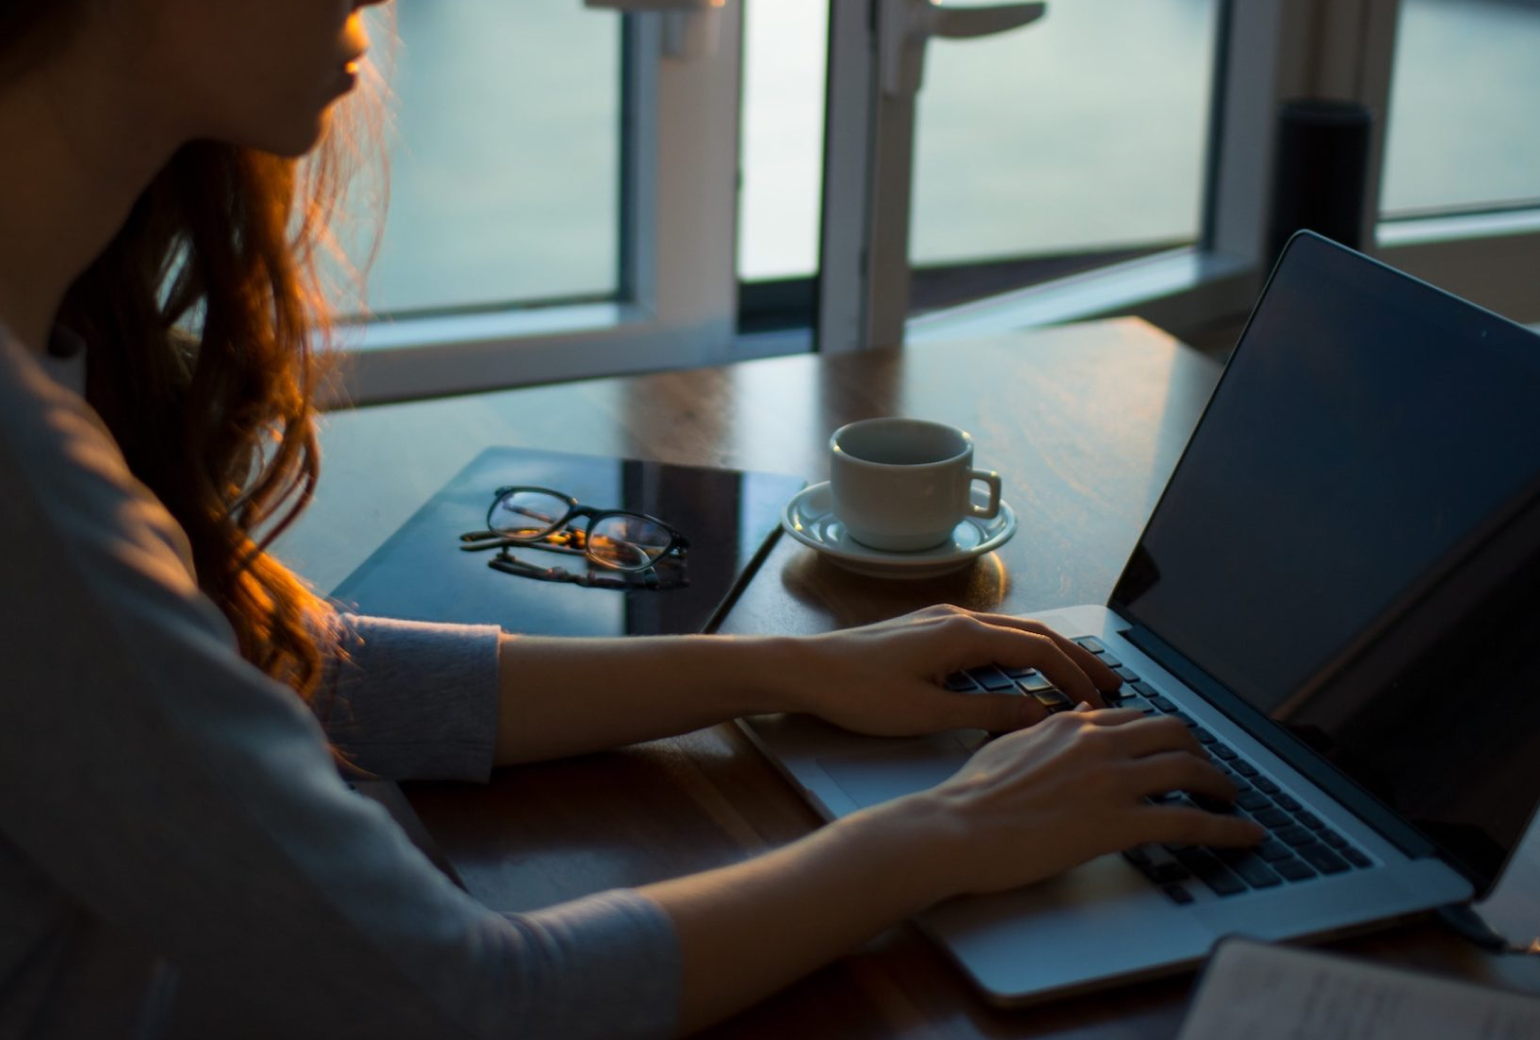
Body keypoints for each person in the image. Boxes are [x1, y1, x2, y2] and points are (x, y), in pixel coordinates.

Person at [0, 1, 1264, 1037]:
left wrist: (788, 668)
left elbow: (283, 670)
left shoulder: (44, 363)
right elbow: (470, 1000)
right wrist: (948, 829)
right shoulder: (30, 496)